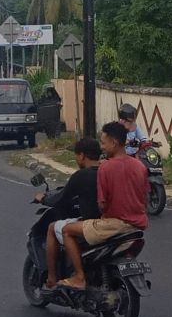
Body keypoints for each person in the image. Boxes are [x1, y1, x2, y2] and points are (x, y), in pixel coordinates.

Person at [60, 122, 150, 287]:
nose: (102, 147)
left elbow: (102, 204)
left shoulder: (106, 168)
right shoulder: (140, 166)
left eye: (104, 142)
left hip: (114, 225)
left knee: (66, 230)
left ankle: (79, 277)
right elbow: (145, 198)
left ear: (114, 142)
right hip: (137, 226)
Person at [37, 136, 102, 289]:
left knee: (53, 227)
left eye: (76, 156)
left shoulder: (81, 176)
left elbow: (61, 198)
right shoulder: (106, 171)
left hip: (92, 223)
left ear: (81, 155)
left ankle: (53, 278)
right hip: (109, 220)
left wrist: (43, 199)